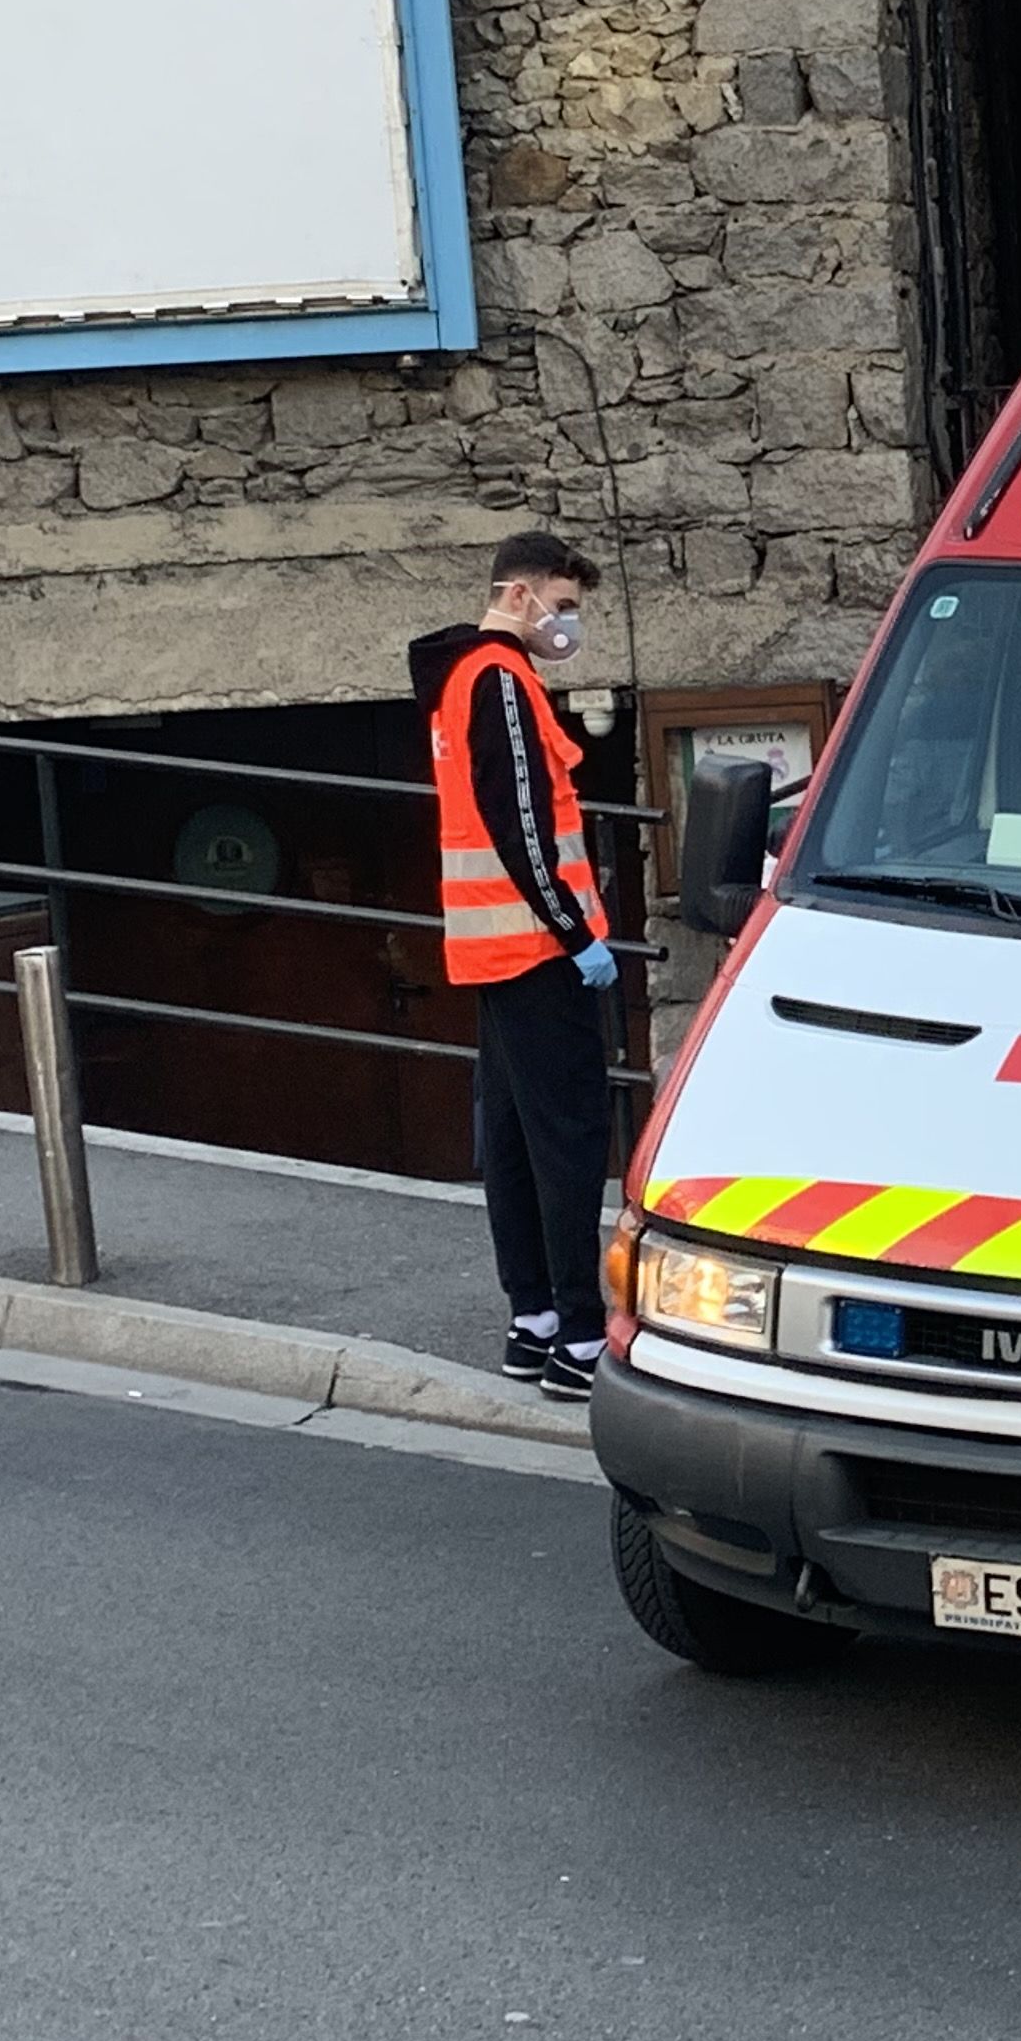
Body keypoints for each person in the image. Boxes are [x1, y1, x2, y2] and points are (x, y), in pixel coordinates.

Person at [409, 533, 619, 1398]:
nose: (566, 623)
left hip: (490, 947)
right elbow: (523, 824)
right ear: (523, 593)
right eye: (563, 604)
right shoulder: (501, 682)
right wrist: (578, 934)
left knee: (511, 1137)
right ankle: (577, 1336)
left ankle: (531, 1320)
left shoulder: (461, 678)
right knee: (567, 1140)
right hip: (539, 952)